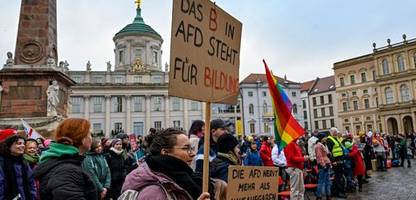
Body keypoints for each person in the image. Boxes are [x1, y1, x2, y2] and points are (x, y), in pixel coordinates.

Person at [120, 128, 213, 200]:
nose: (193, 153)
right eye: (186, 148)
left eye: (191, 148)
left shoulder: (181, 177)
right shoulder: (154, 192)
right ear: (165, 152)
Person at [33, 118, 97, 200]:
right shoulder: (67, 170)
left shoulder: (66, 162)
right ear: (82, 139)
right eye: (90, 134)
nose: (91, 138)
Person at [0, 129, 37, 200]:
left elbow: (31, 183)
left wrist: (33, 197)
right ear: (8, 145)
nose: (23, 146)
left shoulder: (24, 162)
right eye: (18, 143)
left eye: (23, 143)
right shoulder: (2, 163)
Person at [326, 127, 347, 198]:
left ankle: (334, 191)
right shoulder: (329, 140)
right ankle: (337, 192)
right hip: (336, 161)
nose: (337, 133)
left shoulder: (336, 138)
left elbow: (340, 148)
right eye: (335, 132)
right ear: (332, 132)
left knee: (339, 176)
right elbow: (329, 152)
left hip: (340, 160)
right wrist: (333, 161)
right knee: (338, 176)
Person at [315, 132, 332, 200]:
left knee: (327, 181)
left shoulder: (323, 145)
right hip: (323, 165)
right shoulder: (318, 146)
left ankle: (328, 195)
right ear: (321, 138)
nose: (326, 138)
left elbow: (324, 155)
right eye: (325, 137)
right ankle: (319, 196)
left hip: (326, 164)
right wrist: (323, 165)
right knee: (321, 181)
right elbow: (319, 156)